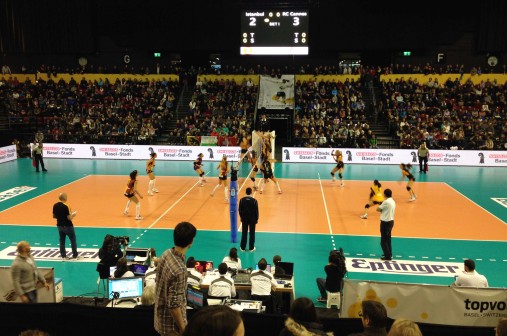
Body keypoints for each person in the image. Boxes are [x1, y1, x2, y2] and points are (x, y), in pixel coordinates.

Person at [154, 221, 197, 336]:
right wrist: (184, 329)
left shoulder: (166, 253)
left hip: (159, 321)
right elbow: (174, 305)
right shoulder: (180, 271)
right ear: (191, 241)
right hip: (172, 328)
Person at [52, 192, 80, 260]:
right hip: (68, 226)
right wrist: (73, 215)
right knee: (73, 239)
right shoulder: (67, 206)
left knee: (62, 241)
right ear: (65, 198)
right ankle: (75, 255)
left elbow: (54, 216)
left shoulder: (55, 205)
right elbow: (69, 218)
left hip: (59, 226)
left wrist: (60, 217)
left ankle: (63, 256)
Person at [377, 189, 396, 261]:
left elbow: (378, 209)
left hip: (385, 222)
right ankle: (389, 254)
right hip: (391, 222)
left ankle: (387, 257)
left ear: (385, 194)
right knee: (388, 239)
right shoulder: (393, 201)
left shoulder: (386, 202)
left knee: (383, 241)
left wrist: (381, 205)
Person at [239, 187, 259, 252]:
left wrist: (242, 217)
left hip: (244, 219)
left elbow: (240, 210)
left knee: (244, 233)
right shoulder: (254, 201)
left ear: (246, 192)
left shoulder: (241, 200)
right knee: (252, 233)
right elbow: (256, 211)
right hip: (252, 220)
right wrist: (256, 219)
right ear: (251, 192)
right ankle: (251, 248)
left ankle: (242, 247)